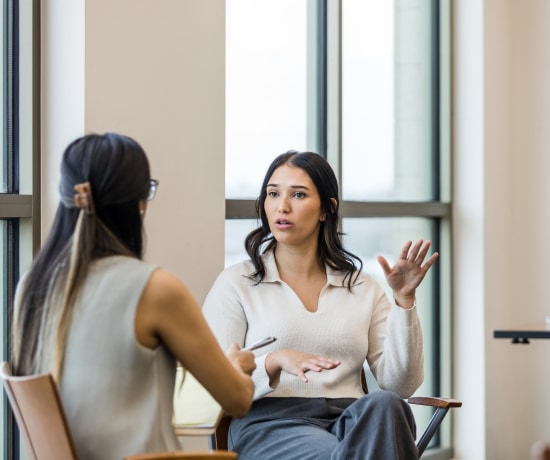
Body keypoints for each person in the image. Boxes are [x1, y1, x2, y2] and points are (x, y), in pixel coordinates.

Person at [10, 133, 256, 460]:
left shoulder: (32, 285)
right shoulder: (155, 289)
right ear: (138, 203)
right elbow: (237, 401)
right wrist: (236, 367)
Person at [202, 150, 440, 460]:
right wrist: (273, 361)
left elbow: (401, 386)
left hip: (351, 420)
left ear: (326, 210)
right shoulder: (237, 283)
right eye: (273, 194)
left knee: (386, 406)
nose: (282, 206)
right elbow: (213, 380)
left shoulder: (362, 287)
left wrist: (404, 301)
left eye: (298, 194)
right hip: (271, 424)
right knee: (346, 453)